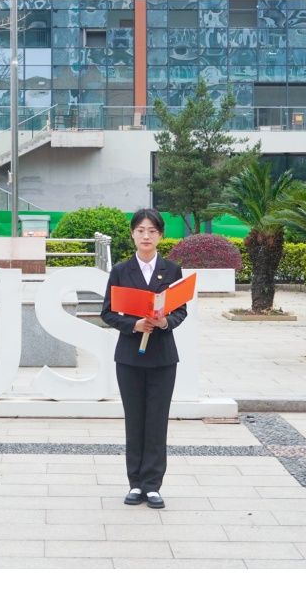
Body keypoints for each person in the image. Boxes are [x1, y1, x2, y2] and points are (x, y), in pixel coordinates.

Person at [100, 208, 187, 509]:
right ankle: (135, 483)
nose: (146, 236)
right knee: (135, 420)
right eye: (140, 231)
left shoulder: (172, 270)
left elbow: (180, 311)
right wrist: (133, 325)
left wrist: (165, 322)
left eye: (152, 231)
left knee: (157, 422)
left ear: (160, 235)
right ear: (133, 235)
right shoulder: (121, 271)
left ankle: (153, 486)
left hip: (163, 358)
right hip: (130, 358)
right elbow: (107, 312)